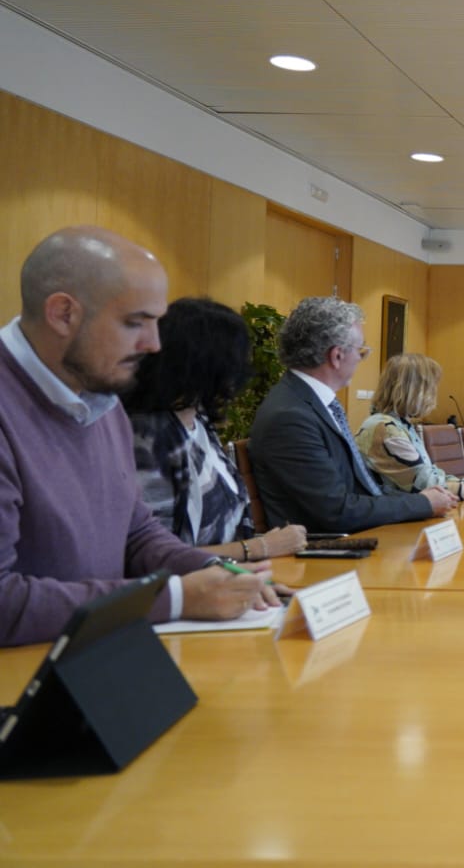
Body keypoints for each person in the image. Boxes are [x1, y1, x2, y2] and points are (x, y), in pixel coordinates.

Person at [0, 227, 276, 647]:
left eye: (157, 323)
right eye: (135, 323)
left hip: (94, 663)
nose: (154, 344)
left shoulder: (100, 396)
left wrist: (214, 573)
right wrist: (177, 598)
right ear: (62, 314)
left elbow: (136, 533)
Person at [121, 297, 308, 561]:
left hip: (232, 580)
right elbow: (156, 557)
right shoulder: (149, 438)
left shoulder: (198, 422)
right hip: (190, 591)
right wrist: (259, 548)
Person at [250, 297, 456, 533]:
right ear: (336, 356)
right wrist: (423, 503)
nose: (361, 359)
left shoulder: (310, 404)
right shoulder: (290, 417)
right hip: (324, 553)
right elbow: (336, 511)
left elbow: (357, 491)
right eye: (361, 352)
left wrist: (424, 500)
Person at [354, 353, 464, 500]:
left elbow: (437, 477)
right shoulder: (386, 429)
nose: (434, 394)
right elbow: (432, 487)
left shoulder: (399, 424)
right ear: (414, 391)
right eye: (431, 388)